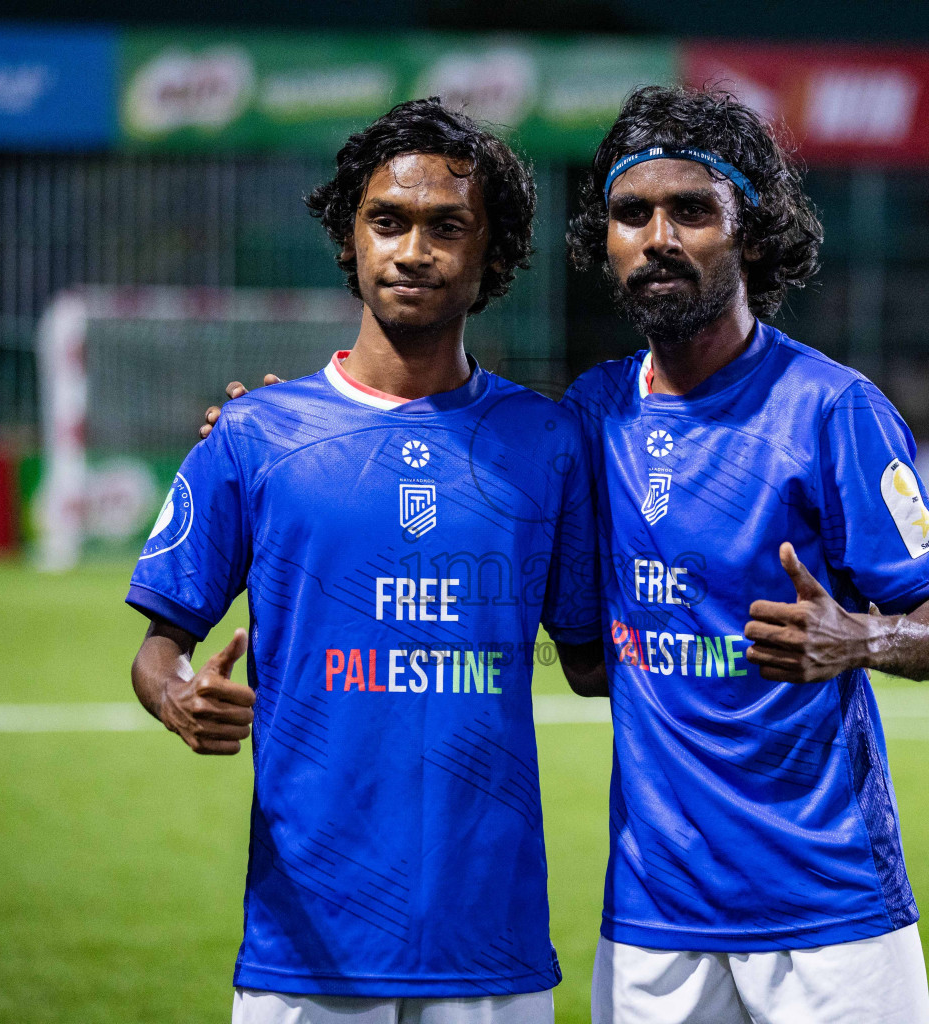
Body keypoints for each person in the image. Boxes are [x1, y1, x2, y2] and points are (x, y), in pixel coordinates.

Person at [131, 98, 603, 1024]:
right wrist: (178, 696)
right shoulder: (256, 435)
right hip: (304, 943)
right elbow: (160, 647)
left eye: (446, 226)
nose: (412, 249)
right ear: (350, 239)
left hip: (489, 940)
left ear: (492, 254)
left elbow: (594, 660)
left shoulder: (547, 443)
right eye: (387, 221)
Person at [556, 86, 929, 1024]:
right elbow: (590, 666)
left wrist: (861, 640)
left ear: (751, 233)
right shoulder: (591, 417)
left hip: (829, 909)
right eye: (633, 214)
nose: (658, 236)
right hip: (654, 916)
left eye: (693, 210)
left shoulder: (833, 411)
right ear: (608, 243)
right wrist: (279, 424)